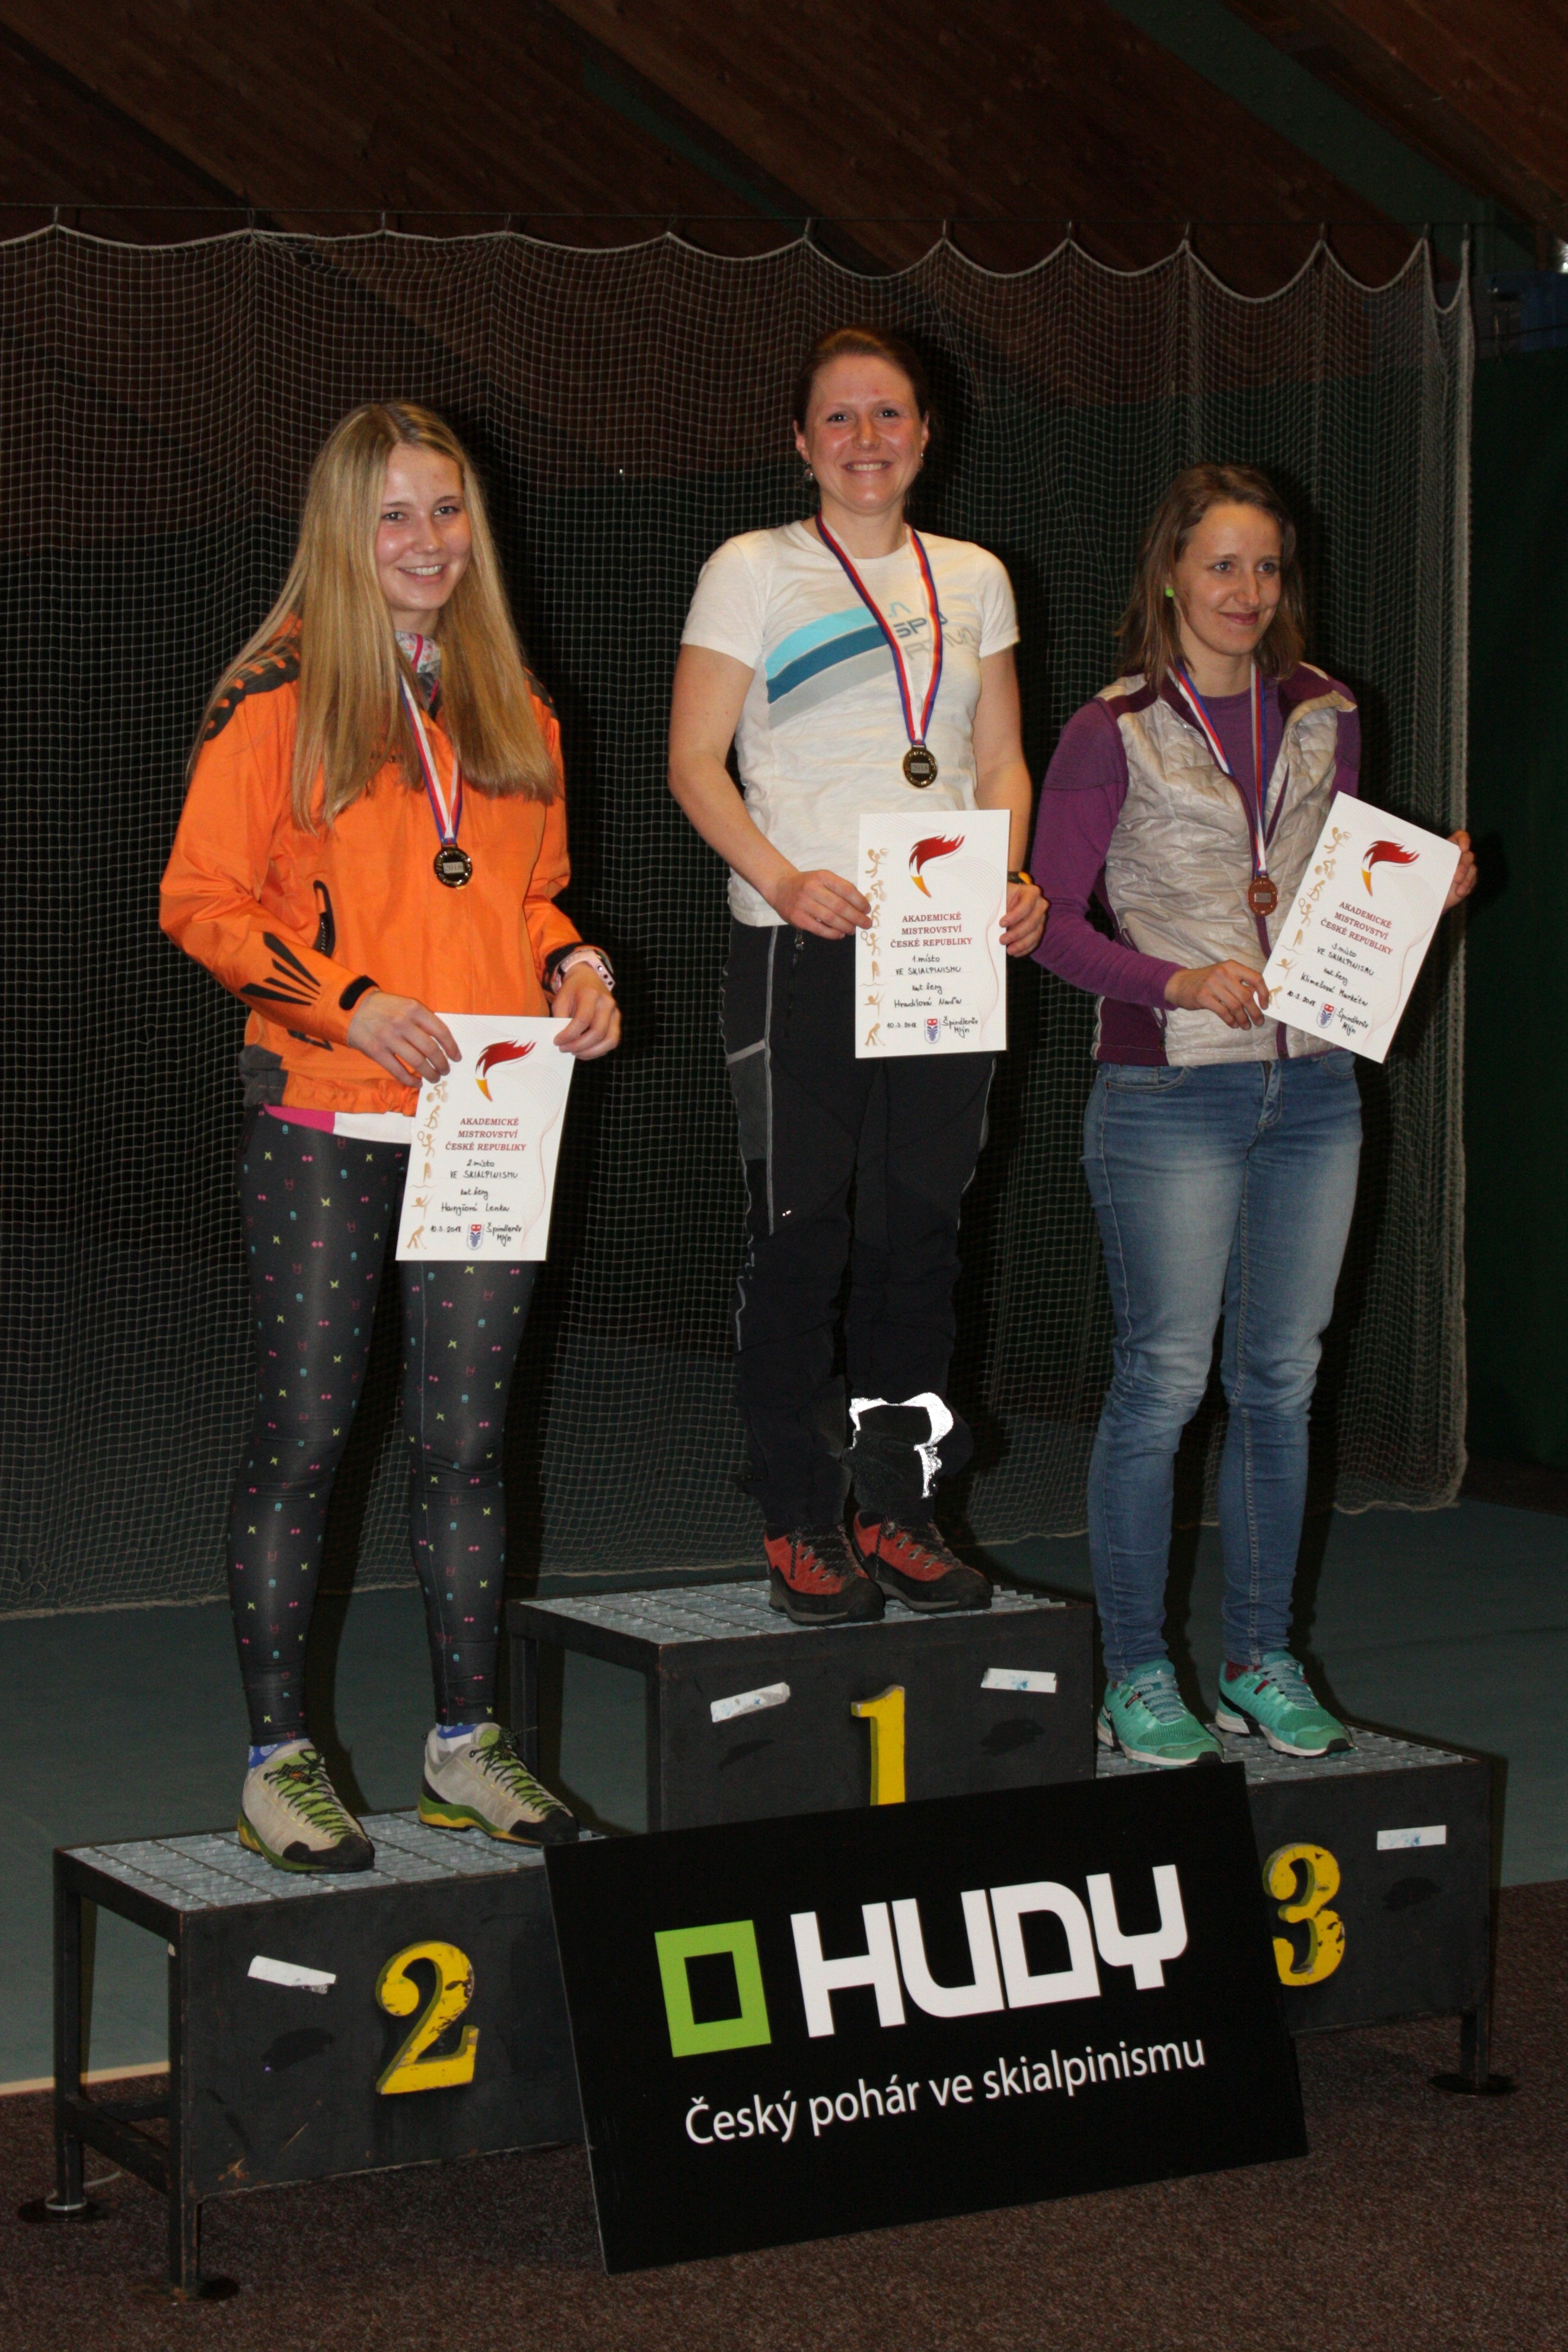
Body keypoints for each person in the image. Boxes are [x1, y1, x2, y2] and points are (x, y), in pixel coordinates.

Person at [161, 403, 620, 1870]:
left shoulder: (513, 700)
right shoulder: (276, 692)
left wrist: (575, 965)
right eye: (395, 516)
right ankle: (276, 1760)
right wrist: (348, 1005)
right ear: (344, 534)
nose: (428, 541)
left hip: (481, 1122)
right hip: (327, 1112)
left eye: (447, 510)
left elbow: (528, 894)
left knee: (468, 1441)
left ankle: (464, 1744)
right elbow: (200, 899)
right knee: (306, 1435)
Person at [1030, 462, 1475, 1765]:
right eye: (1220, 564)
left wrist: (1422, 887)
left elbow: (1342, 882)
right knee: (1164, 1381)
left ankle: (1258, 1659)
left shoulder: (1327, 710)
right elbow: (1042, 921)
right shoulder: (1109, 729)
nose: (1246, 590)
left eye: (1266, 567)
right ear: (1170, 575)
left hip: (1317, 1087)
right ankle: (1134, 1672)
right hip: (1168, 1090)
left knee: (1280, 1382)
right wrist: (1173, 979)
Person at [668, 326, 1047, 1626]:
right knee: (803, 1236)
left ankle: (896, 1506)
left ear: (926, 432)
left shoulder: (976, 577)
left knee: (919, 1234)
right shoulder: (751, 569)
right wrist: (784, 881)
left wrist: (1007, 874)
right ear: (800, 441)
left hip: (939, 952)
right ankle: (797, 1513)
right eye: (838, 417)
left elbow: (999, 758)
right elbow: (693, 762)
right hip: (801, 946)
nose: (865, 439)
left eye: (889, 414)